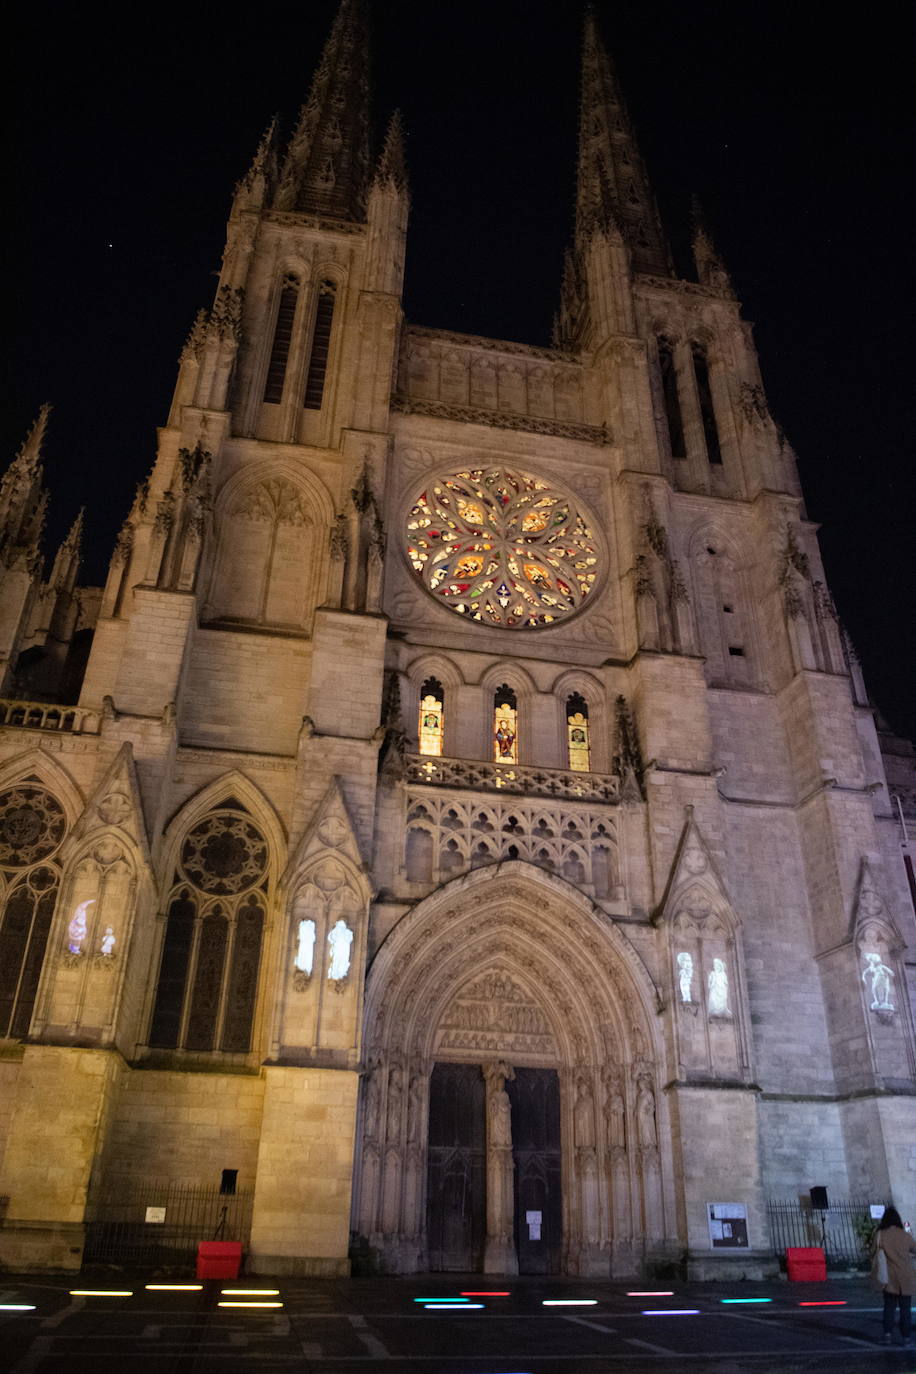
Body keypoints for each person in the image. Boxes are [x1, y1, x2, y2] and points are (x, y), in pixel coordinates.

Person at [875, 1206, 916, 1346]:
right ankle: (906, 1338)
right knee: (905, 1309)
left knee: (889, 1307)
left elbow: (873, 1251)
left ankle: (887, 1335)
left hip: (890, 1276)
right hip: (906, 1276)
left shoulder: (881, 1234)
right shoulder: (905, 1235)